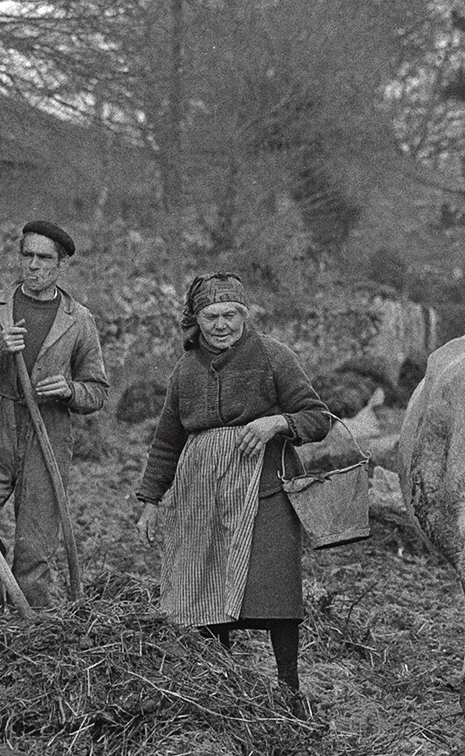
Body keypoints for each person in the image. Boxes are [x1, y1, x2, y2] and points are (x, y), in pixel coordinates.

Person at [136, 272, 330, 698]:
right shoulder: (185, 371)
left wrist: (276, 422)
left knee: (274, 587)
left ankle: (288, 688)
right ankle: (221, 687)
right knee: (203, 585)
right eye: (211, 316)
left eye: (230, 314)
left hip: (265, 489)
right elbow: (167, 440)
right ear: (196, 320)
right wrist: (151, 499)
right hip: (200, 491)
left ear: (245, 315)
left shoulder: (273, 356)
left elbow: (318, 419)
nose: (221, 325)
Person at [0, 221, 109, 624]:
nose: (33, 266)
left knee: (35, 552)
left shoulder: (78, 320)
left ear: (62, 265)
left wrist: (69, 390)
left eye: (44, 259)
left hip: (47, 434)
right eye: (27, 256)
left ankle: (29, 640)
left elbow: (97, 391)